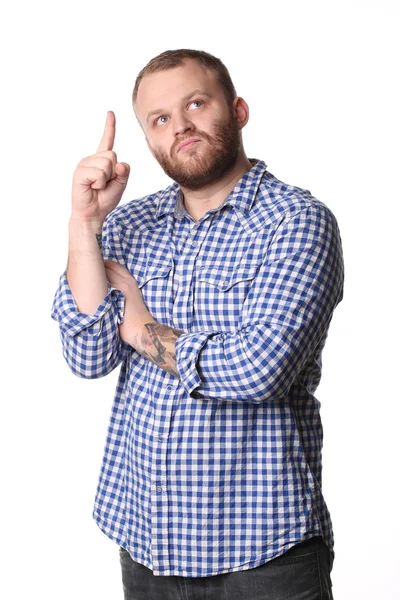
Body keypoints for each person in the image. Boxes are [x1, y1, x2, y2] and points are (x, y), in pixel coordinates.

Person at [51, 48, 344, 600]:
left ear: (237, 110)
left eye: (196, 103)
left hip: (265, 554)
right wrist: (84, 222)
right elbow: (86, 355)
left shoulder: (298, 222)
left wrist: (140, 329)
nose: (180, 126)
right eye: (160, 119)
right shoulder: (130, 224)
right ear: (149, 141)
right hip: (148, 546)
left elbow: (259, 370)